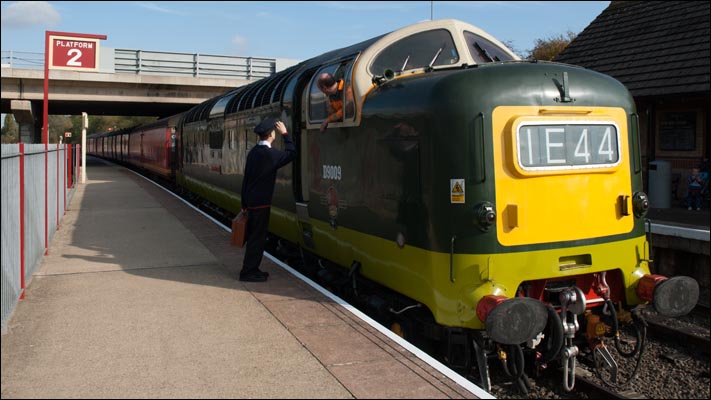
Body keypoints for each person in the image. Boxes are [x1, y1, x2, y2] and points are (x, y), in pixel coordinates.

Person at [239, 117, 296, 282]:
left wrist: (244, 204)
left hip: (251, 203)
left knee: (254, 238)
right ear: (272, 134)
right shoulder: (269, 154)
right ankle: (248, 271)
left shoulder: (253, 153)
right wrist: (285, 133)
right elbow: (292, 153)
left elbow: (246, 180)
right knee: (257, 238)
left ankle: (253, 269)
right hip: (261, 204)